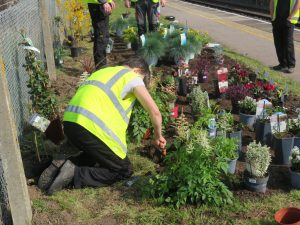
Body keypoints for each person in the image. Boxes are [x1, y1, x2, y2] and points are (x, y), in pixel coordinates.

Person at [38, 57, 167, 195]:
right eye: (142, 79)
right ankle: (74, 173)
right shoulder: (132, 77)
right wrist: (158, 135)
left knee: (98, 158)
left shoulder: (102, 72)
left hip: (71, 123)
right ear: (137, 70)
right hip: (92, 127)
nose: (141, 82)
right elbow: (155, 112)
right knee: (123, 170)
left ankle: (60, 164)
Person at [270, 0, 300, 73]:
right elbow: (272, 2)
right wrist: (272, 17)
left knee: (288, 43)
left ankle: (291, 65)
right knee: (278, 43)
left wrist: (290, 17)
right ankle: (282, 64)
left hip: (288, 21)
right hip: (277, 19)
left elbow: (298, 3)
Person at [85, 0, 116, 69]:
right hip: (98, 5)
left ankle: (101, 67)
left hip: (99, 4)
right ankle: (101, 68)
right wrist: (104, 1)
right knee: (101, 39)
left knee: (102, 37)